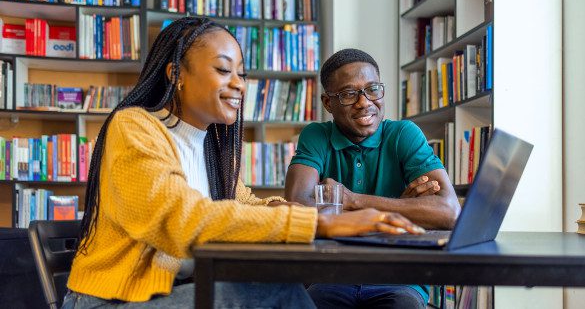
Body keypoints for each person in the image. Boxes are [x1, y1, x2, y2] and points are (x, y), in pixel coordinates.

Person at [63, 18, 425, 308]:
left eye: (243, 74)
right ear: (176, 75)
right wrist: (320, 223)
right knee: (279, 295)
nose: (239, 84)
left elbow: (243, 205)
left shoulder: (210, 145)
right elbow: (182, 220)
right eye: (224, 71)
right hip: (114, 300)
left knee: (278, 289)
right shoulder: (135, 126)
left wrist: (281, 208)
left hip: (179, 291)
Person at [285, 48, 461, 308]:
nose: (364, 102)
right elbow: (298, 205)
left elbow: (448, 212)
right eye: (348, 94)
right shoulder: (316, 136)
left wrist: (353, 201)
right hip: (332, 275)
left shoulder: (404, 134)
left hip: (399, 278)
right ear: (327, 103)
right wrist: (404, 208)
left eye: (373, 89)